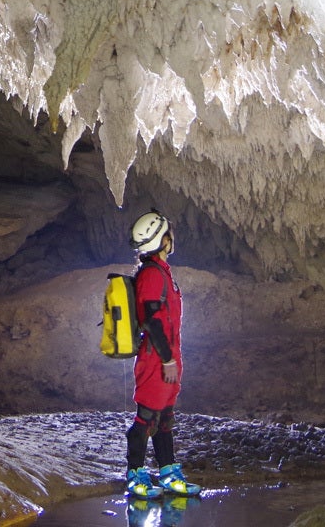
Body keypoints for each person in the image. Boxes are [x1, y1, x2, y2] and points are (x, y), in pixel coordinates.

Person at [123, 210, 198, 500]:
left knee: (164, 417)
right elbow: (152, 322)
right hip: (156, 357)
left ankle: (168, 472)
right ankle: (135, 476)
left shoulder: (162, 271)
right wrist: (167, 359)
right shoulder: (152, 275)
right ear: (163, 241)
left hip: (167, 355)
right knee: (146, 417)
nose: (172, 239)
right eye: (169, 234)